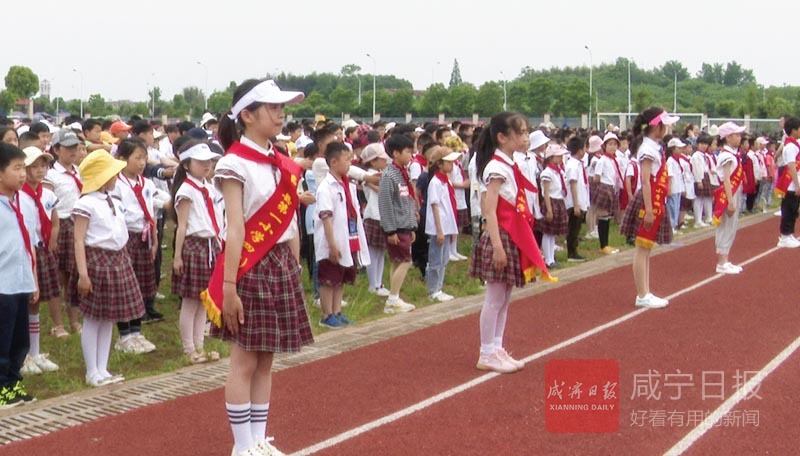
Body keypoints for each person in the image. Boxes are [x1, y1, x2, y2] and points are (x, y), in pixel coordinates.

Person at [205, 79, 313, 456]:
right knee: (245, 359)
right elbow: (236, 229)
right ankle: (241, 446)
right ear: (247, 115)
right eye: (272, 107)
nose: (281, 113)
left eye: (282, 107)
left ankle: (258, 440)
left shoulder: (280, 161)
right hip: (251, 266)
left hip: (281, 263)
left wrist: (296, 264)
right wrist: (230, 288)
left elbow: (290, 223)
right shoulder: (234, 162)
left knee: (266, 358)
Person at [469, 112, 554, 374]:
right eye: (521, 133)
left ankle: (496, 347)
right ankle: (486, 351)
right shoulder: (495, 168)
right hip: (501, 235)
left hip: (512, 234)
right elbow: (490, 210)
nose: (526, 138)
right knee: (494, 298)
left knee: (505, 298)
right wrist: (496, 246)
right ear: (503, 137)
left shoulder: (510, 164)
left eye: (527, 132)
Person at [72, 150, 143, 387]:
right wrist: (83, 273)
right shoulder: (86, 204)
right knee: (93, 318)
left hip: (117, 261)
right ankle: (91, 370)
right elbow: (78, 240)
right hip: (97, 263)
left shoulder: (112, 200)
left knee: (108, 318)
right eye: (112, 173)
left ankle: (103, 368)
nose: (116, 176)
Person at [172, 141, 224, 363]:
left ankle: (199, 347)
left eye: (209, 161)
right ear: (186, 165)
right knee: (191, 301)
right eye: (201, 161)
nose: (206, 165)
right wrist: (177, 255)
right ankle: (188, 348)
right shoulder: (186, 190)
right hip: (194, 246)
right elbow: (182, 225)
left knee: (205, 299)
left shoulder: (209, 188)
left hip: (211, 245)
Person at [620, 107, 677, 309]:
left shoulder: (654, 146)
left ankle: (645, 291)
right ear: (656, 126)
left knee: (646, 249)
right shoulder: (648, 149)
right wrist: (650, 210)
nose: (668, 127)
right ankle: (642, 294)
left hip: (653, 200)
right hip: (648, 202)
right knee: (642, 249)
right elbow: (645, 181)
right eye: (665, 124)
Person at [314, 142, 369, 328]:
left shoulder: (348, 185)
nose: (350, 163)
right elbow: (326, 218)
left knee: (341, 277)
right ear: (334, 162)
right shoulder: (326, 187)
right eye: (347, 159)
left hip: (348, 236)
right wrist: (332, 244)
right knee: (329, 278)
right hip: (333, 240)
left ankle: (337, 311)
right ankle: (326, 314)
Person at [0, 143, 38, 408]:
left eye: (24, 167)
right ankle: (1, 387)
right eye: (17, 168)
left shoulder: (22, 203)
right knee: (1, 340)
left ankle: (13, 382)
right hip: (2, 285)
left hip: (20, 282)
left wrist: (32, 280)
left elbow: (28, 245)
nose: (23, 174)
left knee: (19, 341)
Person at [18, 147, 61, 375]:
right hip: (27, 250)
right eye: (34, 166)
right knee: (24, 303)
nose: (40, 170)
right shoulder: (21, 196)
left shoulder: (46, 194)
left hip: (42, 249)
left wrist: (53, 238)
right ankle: (22, 355)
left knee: (36, 303)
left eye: (43, 165)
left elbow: (54, 220)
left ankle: (35, 352)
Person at [43, 129, 84, 335]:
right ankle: (57, 324)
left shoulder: (78, 171)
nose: (73, 151)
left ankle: (74, 321)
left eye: (75, 147)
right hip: (61, 225)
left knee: (75, 276)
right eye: (68, 148)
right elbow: (50, 205)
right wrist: (54, 234)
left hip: (77, 224)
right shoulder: (51, 175)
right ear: (57, 149)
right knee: (59, 278)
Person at [378, 133, 419, 311]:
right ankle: (392, 299)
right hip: (396, 226)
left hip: (404, 224)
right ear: (396, 153)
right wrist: (390, 230)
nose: (411, 155)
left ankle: (394, 296)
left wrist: (412, 225)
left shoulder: (402, 173)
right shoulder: (389, 175)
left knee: (397, 261)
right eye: (408, 152)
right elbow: (386, 203)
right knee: (405, 261)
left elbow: (405, 200)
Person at [361, 143, 399, 302]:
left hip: (382, 216)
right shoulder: (369, 175)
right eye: (382, 159)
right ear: (373, 161)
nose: (385, 162)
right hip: (373, 215)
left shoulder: (379, 174)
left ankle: (379, 283)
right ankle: (373, 284)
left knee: (380, 252)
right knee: (373, 252)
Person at [425, 146, 462, 302]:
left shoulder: (446, 181)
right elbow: (435, 206)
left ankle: (439, 287)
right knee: (436, 259)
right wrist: (439, 230)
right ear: (439, 164)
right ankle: (433, 289)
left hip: (447, 224)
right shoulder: (435, 182)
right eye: (448, 162)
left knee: (444, 258)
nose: (452, 164)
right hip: (439, 226)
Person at [712, 122, 747, 274]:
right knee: (725, 227)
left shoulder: (733, 154)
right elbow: (726, 180)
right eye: (737, 135)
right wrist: (731, 202)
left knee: (731, 227)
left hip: (734, 192)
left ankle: (725, 259)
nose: (739, 138)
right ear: (728, 137)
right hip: (728, 194)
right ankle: (721, 262)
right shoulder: (726, 156)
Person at [539, 144, 570, 267]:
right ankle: (548, 259)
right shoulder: (547, 173)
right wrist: (549, 209)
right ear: (551, 158)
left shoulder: (558, 171)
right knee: (548, 232)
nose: (561, 158)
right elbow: (546, 192)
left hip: (558, 200)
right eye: (558, 156)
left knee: (553, 233)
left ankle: (551, 257)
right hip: (551, 201)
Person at [593, 133, 623, 254]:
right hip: (604, 188)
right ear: (604, 146)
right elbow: (596, 177)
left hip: (612, 188)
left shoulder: (615, 160)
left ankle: (606, 244)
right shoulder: (602, 160)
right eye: (610, 144)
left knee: (607, 217)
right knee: (603, 216)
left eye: (615, 144)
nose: (613, 147)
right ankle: (603, 244)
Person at [773, 117, 800, 248]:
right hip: (790, 184)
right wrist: (797, 184)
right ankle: (784, 235)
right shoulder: (790, 146)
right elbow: (791, 166)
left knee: (794, 210)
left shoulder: (794, 144)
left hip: (795, 183)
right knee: (788, 209)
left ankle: (789, 234)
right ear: (794, 130)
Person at [565, 135, 589, 261]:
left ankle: (574, 251)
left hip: (580, 200)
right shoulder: (572, 165)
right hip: (575, 202)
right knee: (573, 228)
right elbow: (573, 185)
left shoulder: (578, 164)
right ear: (580, 150)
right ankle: (571, 253)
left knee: (577, 227)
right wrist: (576, 205)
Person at [691, 134, 715, 227]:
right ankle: (698, 220)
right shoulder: (696, 156)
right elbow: (696, 169)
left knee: (707, 198)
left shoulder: (704, 155)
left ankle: (708, 217)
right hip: (700, 177)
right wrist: (699, 181)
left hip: (706, 176)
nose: (704, 146)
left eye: (706, 144)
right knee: (699, 199)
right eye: (701, 143)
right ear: (697, 144)